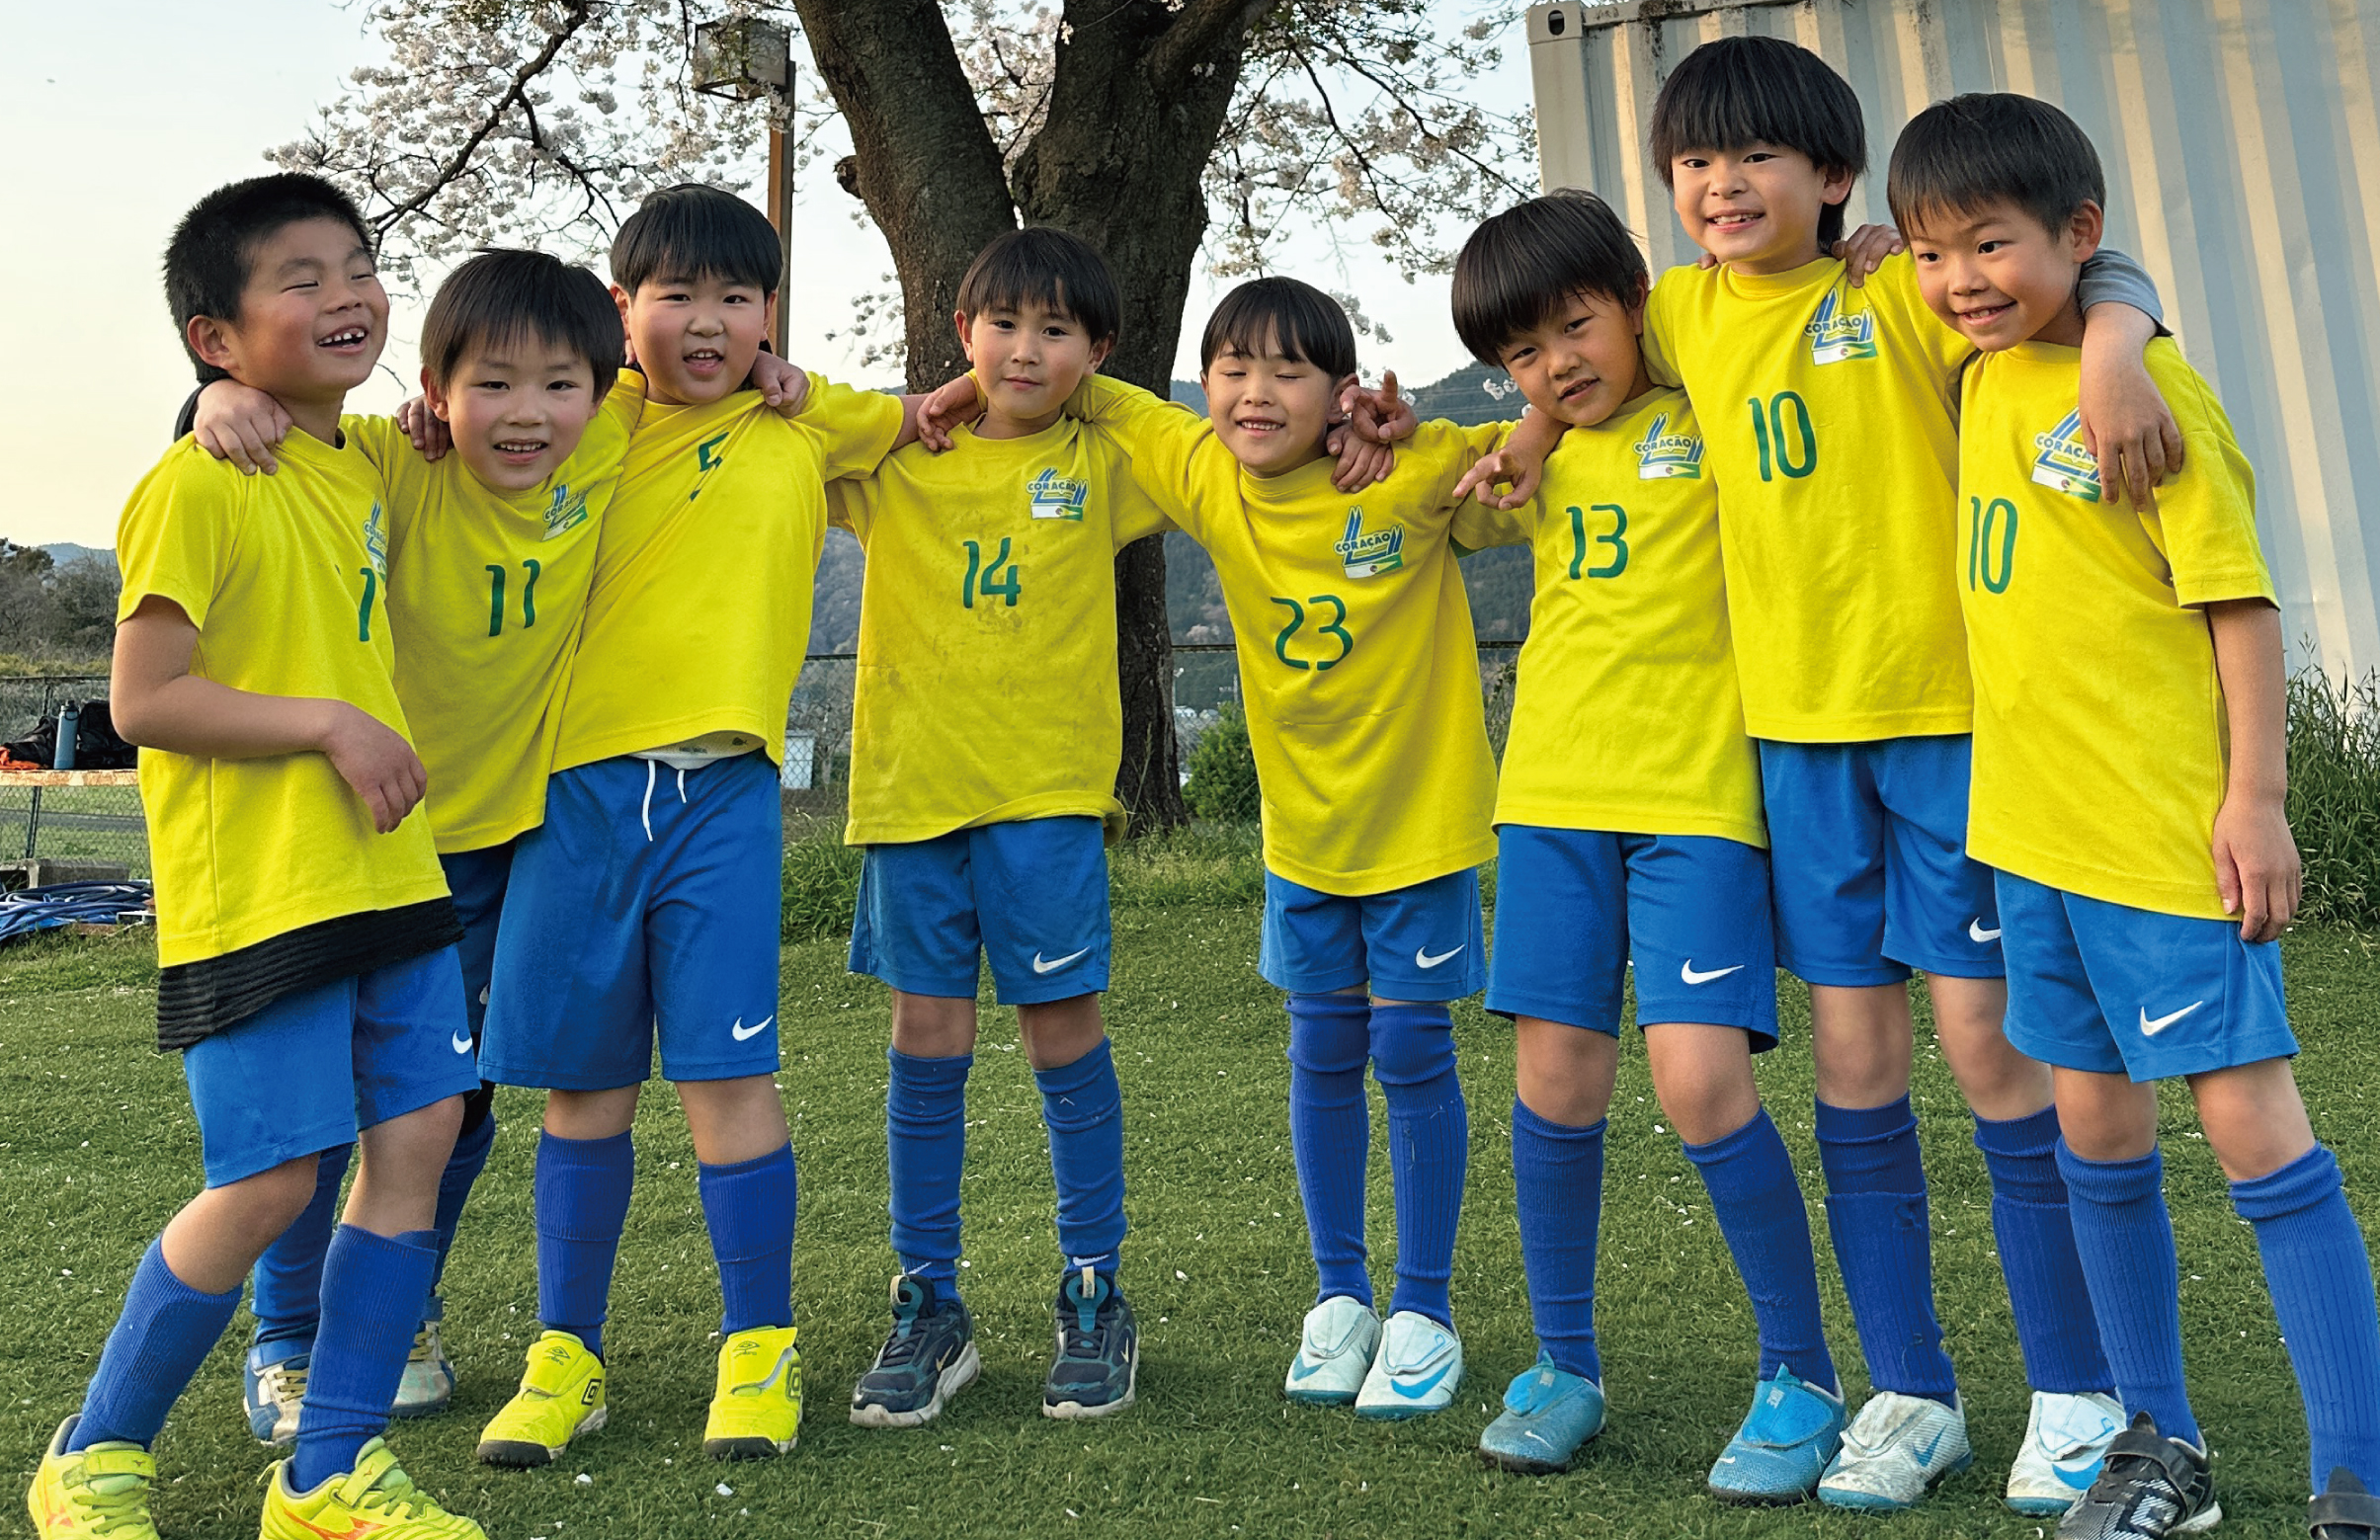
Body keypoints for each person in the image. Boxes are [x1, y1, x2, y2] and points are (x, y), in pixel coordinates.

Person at [1484, 35, 2179, 1512]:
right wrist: (1534, 425)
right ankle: (1907, 1387)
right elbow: (1572, 347)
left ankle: (2072, 1390)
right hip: (1792, 753)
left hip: (1945, 729)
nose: (1722, 184)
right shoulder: (1676, 312)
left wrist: (2119, 339)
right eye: (1694, 164)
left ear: (1835, 180)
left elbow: (2081, 276)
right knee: (1857, 1071)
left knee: (1992, 1054)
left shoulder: (1895, 288)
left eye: (1756, 159)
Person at [1893, 91, 2380, 1540]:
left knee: (2249, 1132)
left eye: (1990, 244)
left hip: (2166, 841)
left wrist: (2259, 800)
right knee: (2089, 1132)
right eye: (1932, 253)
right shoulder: (1979, 378)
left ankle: (2355, 1465)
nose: (1961, 280)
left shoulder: (2153, 393)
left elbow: (2236, 605)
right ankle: (2158, 1447)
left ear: (2078, 235)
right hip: (2030, 840)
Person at [29, 172, 486, 1540]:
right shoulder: (196, 480)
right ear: (214, 336)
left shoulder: (357, 464)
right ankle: (94, 1452)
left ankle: (328, 1471)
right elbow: (144, 698)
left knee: (416, 1140)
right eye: (302, 277)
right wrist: (329, 721)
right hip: (263, 896)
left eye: (359, 265)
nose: (347, 293)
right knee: (273, 1179)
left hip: (392, 880)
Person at [470, 184, 924, 1467]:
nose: (708, 323)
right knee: (582, 1090)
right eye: (676, 297)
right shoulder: (586, 416)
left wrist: (805, 380)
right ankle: (565, 1352)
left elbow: (930, 415)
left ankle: (760, 1344)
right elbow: (477, 416)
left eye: (737, 298)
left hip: (724, 795)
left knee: (729, 1081)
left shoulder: (807, 421)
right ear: (625, 311)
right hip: (580, 793)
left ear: (771, 315)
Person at [187, 247, 634, 1443]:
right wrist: (214, 399)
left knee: (454, 1104)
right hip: (369, 846)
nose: (525, 412)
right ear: (434, 391)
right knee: (321, 1114)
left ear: (601, 390)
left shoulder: (614, 453)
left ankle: (399, 1301)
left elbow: (727, 383)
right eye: (491, 384)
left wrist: (798, 380)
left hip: (504, 850)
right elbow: (275, 436)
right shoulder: (391, 458)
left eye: (557, 385)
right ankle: (289, 1337)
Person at [1445, 189, 1847, 1500]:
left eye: (1575, 325)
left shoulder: (1707, 401)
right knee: (1554, 1082)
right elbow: (1431, 497)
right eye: (1522, 353)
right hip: (1552, 795)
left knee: (1697, 1084)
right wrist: (1519, 424)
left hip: (1695, 807)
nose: (1557, 363)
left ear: (1632, 298)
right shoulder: (1538, 453)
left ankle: (1799, 1372)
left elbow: (1757, 322)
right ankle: (1564, 1366)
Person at [1056, 278, 1498, 1420]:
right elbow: (1086, 387)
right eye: (1231, 367)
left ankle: (1424, 1307)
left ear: (1340, 391)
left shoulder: (1403, 473)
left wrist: (1406, 426)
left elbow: (1523, 447)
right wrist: (951, 387)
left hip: (1417, 829)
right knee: (1320, 1053)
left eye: (1288, 371)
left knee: (1409, 1055)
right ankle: (1340, 1297)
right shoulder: (1206, 468)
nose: (1254, 393)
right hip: (1302, 840)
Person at [829, 227, 1166, 1426]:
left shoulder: (1106, 461)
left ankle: (1095, 1287)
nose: (1027, 350)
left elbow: (1196, 442)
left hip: (1048, 803)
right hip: (915, 798)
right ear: (958, 330)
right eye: (1002, 325)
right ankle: (930, 1302)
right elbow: (793, 436)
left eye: (1058, 330)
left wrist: (1041, 381)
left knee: (1063, 1035)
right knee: (927, 1041)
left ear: (1100, 350)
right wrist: (933, 400)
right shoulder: (895, 459)